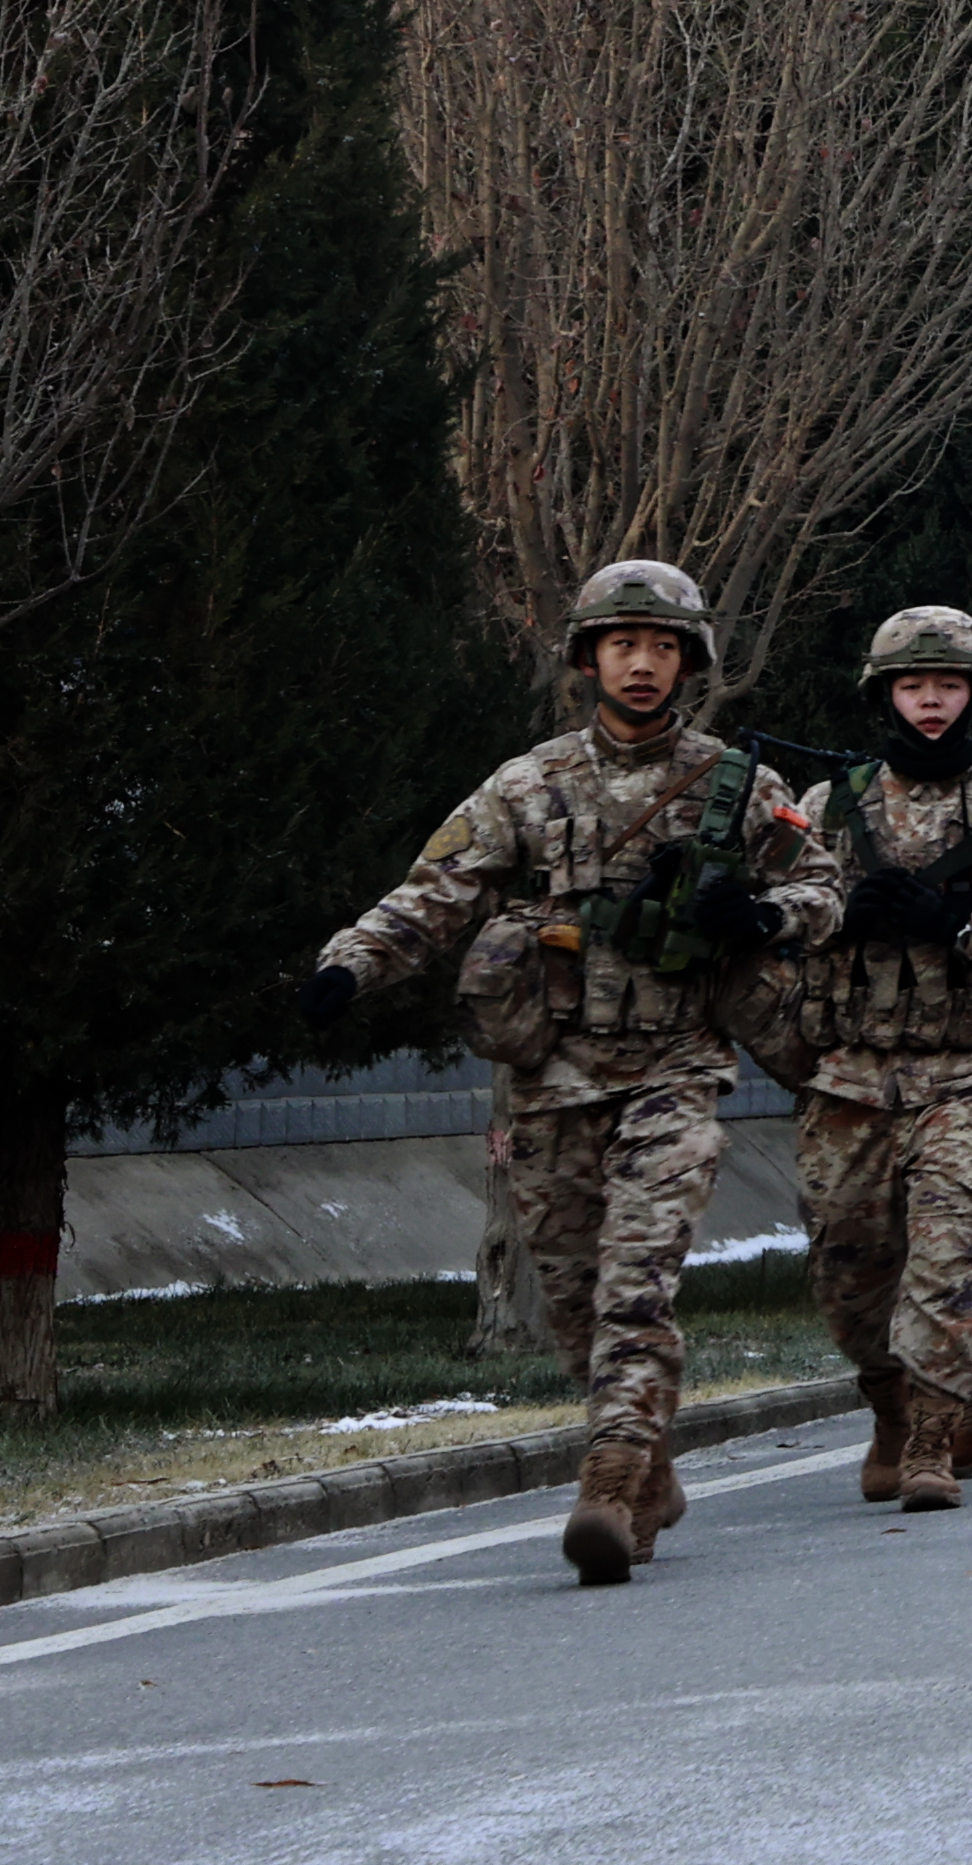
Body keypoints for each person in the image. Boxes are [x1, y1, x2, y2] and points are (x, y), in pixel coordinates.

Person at [306, 560, 822, 1582]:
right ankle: (650, 1467)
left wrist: (766, 914)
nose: (642, 665)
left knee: (637, 1287)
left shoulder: (740, 786)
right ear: (589, 659)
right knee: (577, 1301)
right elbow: (437, 891)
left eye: (663, 647)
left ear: (690, 663)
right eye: (623, 645)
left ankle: (612, 1476)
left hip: (675, 1071)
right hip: (551, 1079)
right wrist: (351, 961)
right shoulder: (525, 785)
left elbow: (822, 885)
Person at [768, 606, 972, 1514]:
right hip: (847, 1075)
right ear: (884, 693)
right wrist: (836, 915)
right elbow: (771, 910)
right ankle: (887, 1402)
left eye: (947, 686)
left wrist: (958, 927)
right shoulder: (829, 808)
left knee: (953, 1259)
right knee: (850, 1269)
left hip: (968, 1076)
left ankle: (929, 1440)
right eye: (912, 685)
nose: (929, 701)